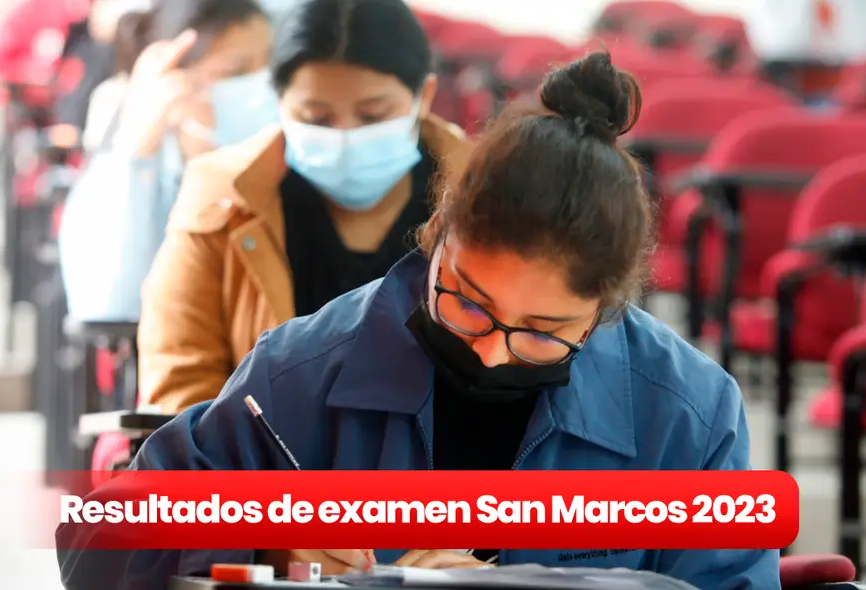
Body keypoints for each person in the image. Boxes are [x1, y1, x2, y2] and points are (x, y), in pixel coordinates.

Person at [57, 51, 779, 589]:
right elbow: (92, 541)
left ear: (604, 310)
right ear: (437, 234)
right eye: (468, 303)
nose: (492, 355)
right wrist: (261, 542)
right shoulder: (303, 372)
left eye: (541, 332)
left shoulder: (684, 409)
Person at [135, 0, 467, 414]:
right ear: (277, 101)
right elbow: (181, 384)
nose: (345, 136)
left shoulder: (484, 197)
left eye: (373, 115)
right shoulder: (222, 199)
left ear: (424, 96)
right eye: (317, 117)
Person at [58, 0, 278, 322]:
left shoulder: (298, 151)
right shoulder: (134, 172)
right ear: (174, 80)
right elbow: (109, 305)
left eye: (272, 64)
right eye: (237, 71)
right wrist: (139, 150)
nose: (264, 85)